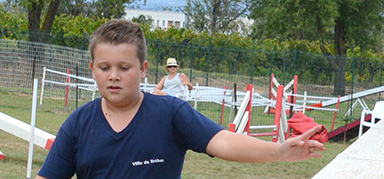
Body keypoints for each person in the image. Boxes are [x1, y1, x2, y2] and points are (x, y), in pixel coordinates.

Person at [35, 19, 325, 179]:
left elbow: (223, 141)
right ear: (93, 71)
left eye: (124, 68)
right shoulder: (78, 124)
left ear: (143, 69)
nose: (114, 76)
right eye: (104, 67)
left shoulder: (170, 113)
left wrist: (279, 151)